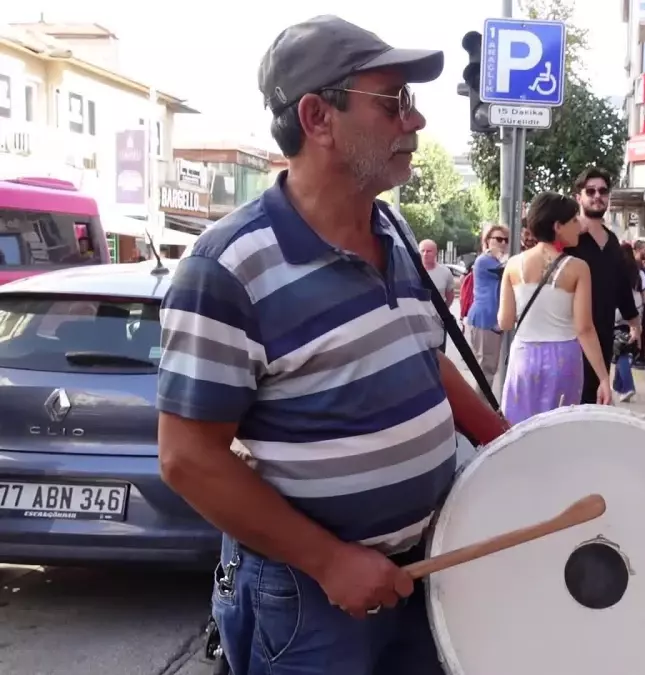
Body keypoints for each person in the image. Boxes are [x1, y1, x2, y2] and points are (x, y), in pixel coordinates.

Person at [155, 16, 510, 675]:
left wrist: (508, 443)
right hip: (316, 600)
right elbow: (187, 457)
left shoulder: (392, 232)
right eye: (395, 101)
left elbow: (422, 358)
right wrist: (330, 560)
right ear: (318, 117)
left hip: (426, 568)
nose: (417, 121)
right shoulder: (229, 267)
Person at [497, 192, 611, 421]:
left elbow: (505, 322)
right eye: (574, 221)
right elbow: (584, 328)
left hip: (524, 357)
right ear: (558, 226)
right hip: (563, 359)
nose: (579, 226)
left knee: (518, 432)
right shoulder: (578, 268)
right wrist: (604, 378)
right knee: (557, 433)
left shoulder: (512, 265)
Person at [565, 167, 640, 404]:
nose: (598, 195)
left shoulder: (612, 239)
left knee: (595, 402)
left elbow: (620, 285)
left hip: (603, 336)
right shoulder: (568, 238)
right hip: (570, 336)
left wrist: (634, 322)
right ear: (579, 197)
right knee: (568, 404)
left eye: (603, 191)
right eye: (591, 191)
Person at [465, 223, 510, 387]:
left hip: (492, 319)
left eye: (506, 240)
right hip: (485, 318)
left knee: (489, 368)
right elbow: (509, 268)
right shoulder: (484, 260)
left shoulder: (494, 260)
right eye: (498, 239)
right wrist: (502, 255)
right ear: (487, 241)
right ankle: (479, 410)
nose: (503, 243)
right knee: (486, 370)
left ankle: (482, 407)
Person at [611, 242, 643, 402]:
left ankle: (628, 386)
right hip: (635, 311)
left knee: (620, 349)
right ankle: (618, 385)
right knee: (623, 346)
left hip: (618, 311)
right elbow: (644, 293)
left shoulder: (616, 268)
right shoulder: (638, 270)